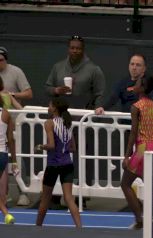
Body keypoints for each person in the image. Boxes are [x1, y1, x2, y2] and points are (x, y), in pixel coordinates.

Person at [45, 35, 106, 207]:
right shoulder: (58, 67)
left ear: (83, 49)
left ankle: (82, 194)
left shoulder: (94, 69)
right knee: (56, 154)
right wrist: (56, 89)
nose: (75, 50)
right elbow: (47, 87)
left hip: (82, 120)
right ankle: (55, 193)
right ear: (68, 48)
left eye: (78, 48)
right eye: (72, 47)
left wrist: (99, 107)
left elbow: (100, 93)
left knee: (81, 155)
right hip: (59, 120)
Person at [121, 75, 153, 230]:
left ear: (142, 87)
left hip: (143, 148)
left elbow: (133, 132)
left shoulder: (136, 106)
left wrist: (126, 156)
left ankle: (139, 219)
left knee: (125, 184)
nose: (135, 84)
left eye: (137, 83)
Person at [35, 97, 81, 228]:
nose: (48, 107)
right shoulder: (67, 123)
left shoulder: (49, 123)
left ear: (54, 108)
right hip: (67, 164)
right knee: (69, 198)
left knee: (45, 199)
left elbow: (51, 145)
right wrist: (64, 149)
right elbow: (73, 148)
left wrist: (39, 146)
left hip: (54, 165)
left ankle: (37, 226)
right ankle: (80, 227)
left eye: (49, 105)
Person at [0, 46, 32, 206]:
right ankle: (3, 194)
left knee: (16, 155)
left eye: (1, 60)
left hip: (13, 121)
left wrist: (12, 95)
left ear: (6, 59)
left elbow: (28, 93)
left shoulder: (16, 72)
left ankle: (23, 192)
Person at [0, 77, 19, 224]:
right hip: (2, 155)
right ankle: (6, 213)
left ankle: (6, 213)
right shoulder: (6, 113)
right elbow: (11, 140)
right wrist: (14, 160)